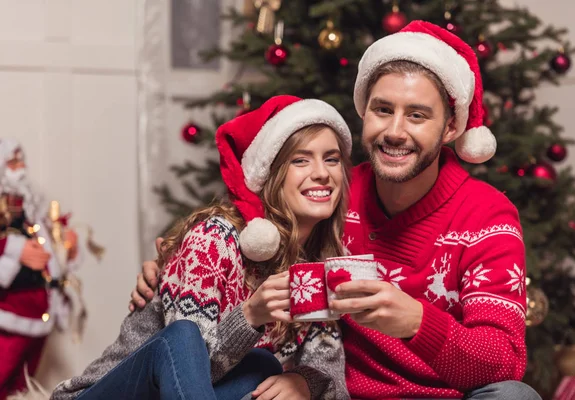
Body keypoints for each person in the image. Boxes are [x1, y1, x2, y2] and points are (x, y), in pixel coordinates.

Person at [132, 21, 541, 399]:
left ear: (451, 128)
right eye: (383, 110)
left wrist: (417, 322)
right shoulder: (331, 197)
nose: (395, 131)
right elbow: (256, 232)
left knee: (513, 396)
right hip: (346, 395)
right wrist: (170, 267)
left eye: (417, 115)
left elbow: (504, 360)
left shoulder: (486, 216)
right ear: (364, 111)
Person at [50, 95, 353, 400]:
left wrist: (305, 382)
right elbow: (185, 369)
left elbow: (334, 383)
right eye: (300, 160)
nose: (322, 173)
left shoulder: (319, 268)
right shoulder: (214, 240)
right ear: (272, 174)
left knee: (262, 366)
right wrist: (250, 316)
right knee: (184, 336)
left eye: (331, 158)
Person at [0, 139, 80, 399]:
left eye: (21, 161)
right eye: (13, 162)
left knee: (22, 385)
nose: (20, 168)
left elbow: (51, 242)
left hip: (39, 315)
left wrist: (66, 243)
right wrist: (13, 248)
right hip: (10, 313)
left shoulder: (31, 207)